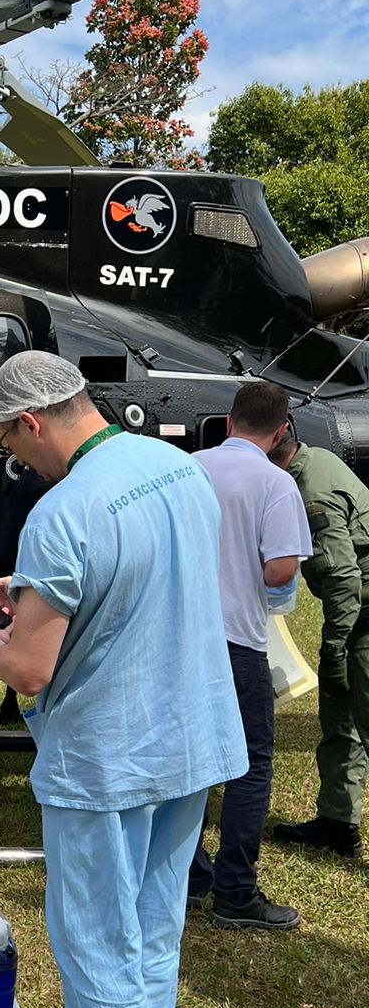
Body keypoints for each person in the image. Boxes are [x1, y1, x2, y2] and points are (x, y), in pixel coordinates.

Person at [0, 351, 245, 1008]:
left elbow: (30, 671)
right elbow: (147, 576)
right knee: (154, 930)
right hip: (190, 736)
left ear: (32, 423)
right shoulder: (174, 467)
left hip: (107, 755)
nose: (18, 462)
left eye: (12, 444)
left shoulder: (61, 511)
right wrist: (34, 587)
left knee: (96, 949)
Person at [186, 382, 311, 928]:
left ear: (229, 420)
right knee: (250, 765)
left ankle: (188, 876)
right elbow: (282, 569)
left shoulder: (188, 468)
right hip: (237, 640)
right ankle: (235, 892)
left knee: (188, 764)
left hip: (181, 637)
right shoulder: (275, 482)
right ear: (281, 430)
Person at [270, 427, 369, 858]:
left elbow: (344, 578)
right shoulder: (312, 462)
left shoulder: (310, 490)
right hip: (358, 617)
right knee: (339, 722)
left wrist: (334, 648)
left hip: (362, 618)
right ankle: (337, 823)